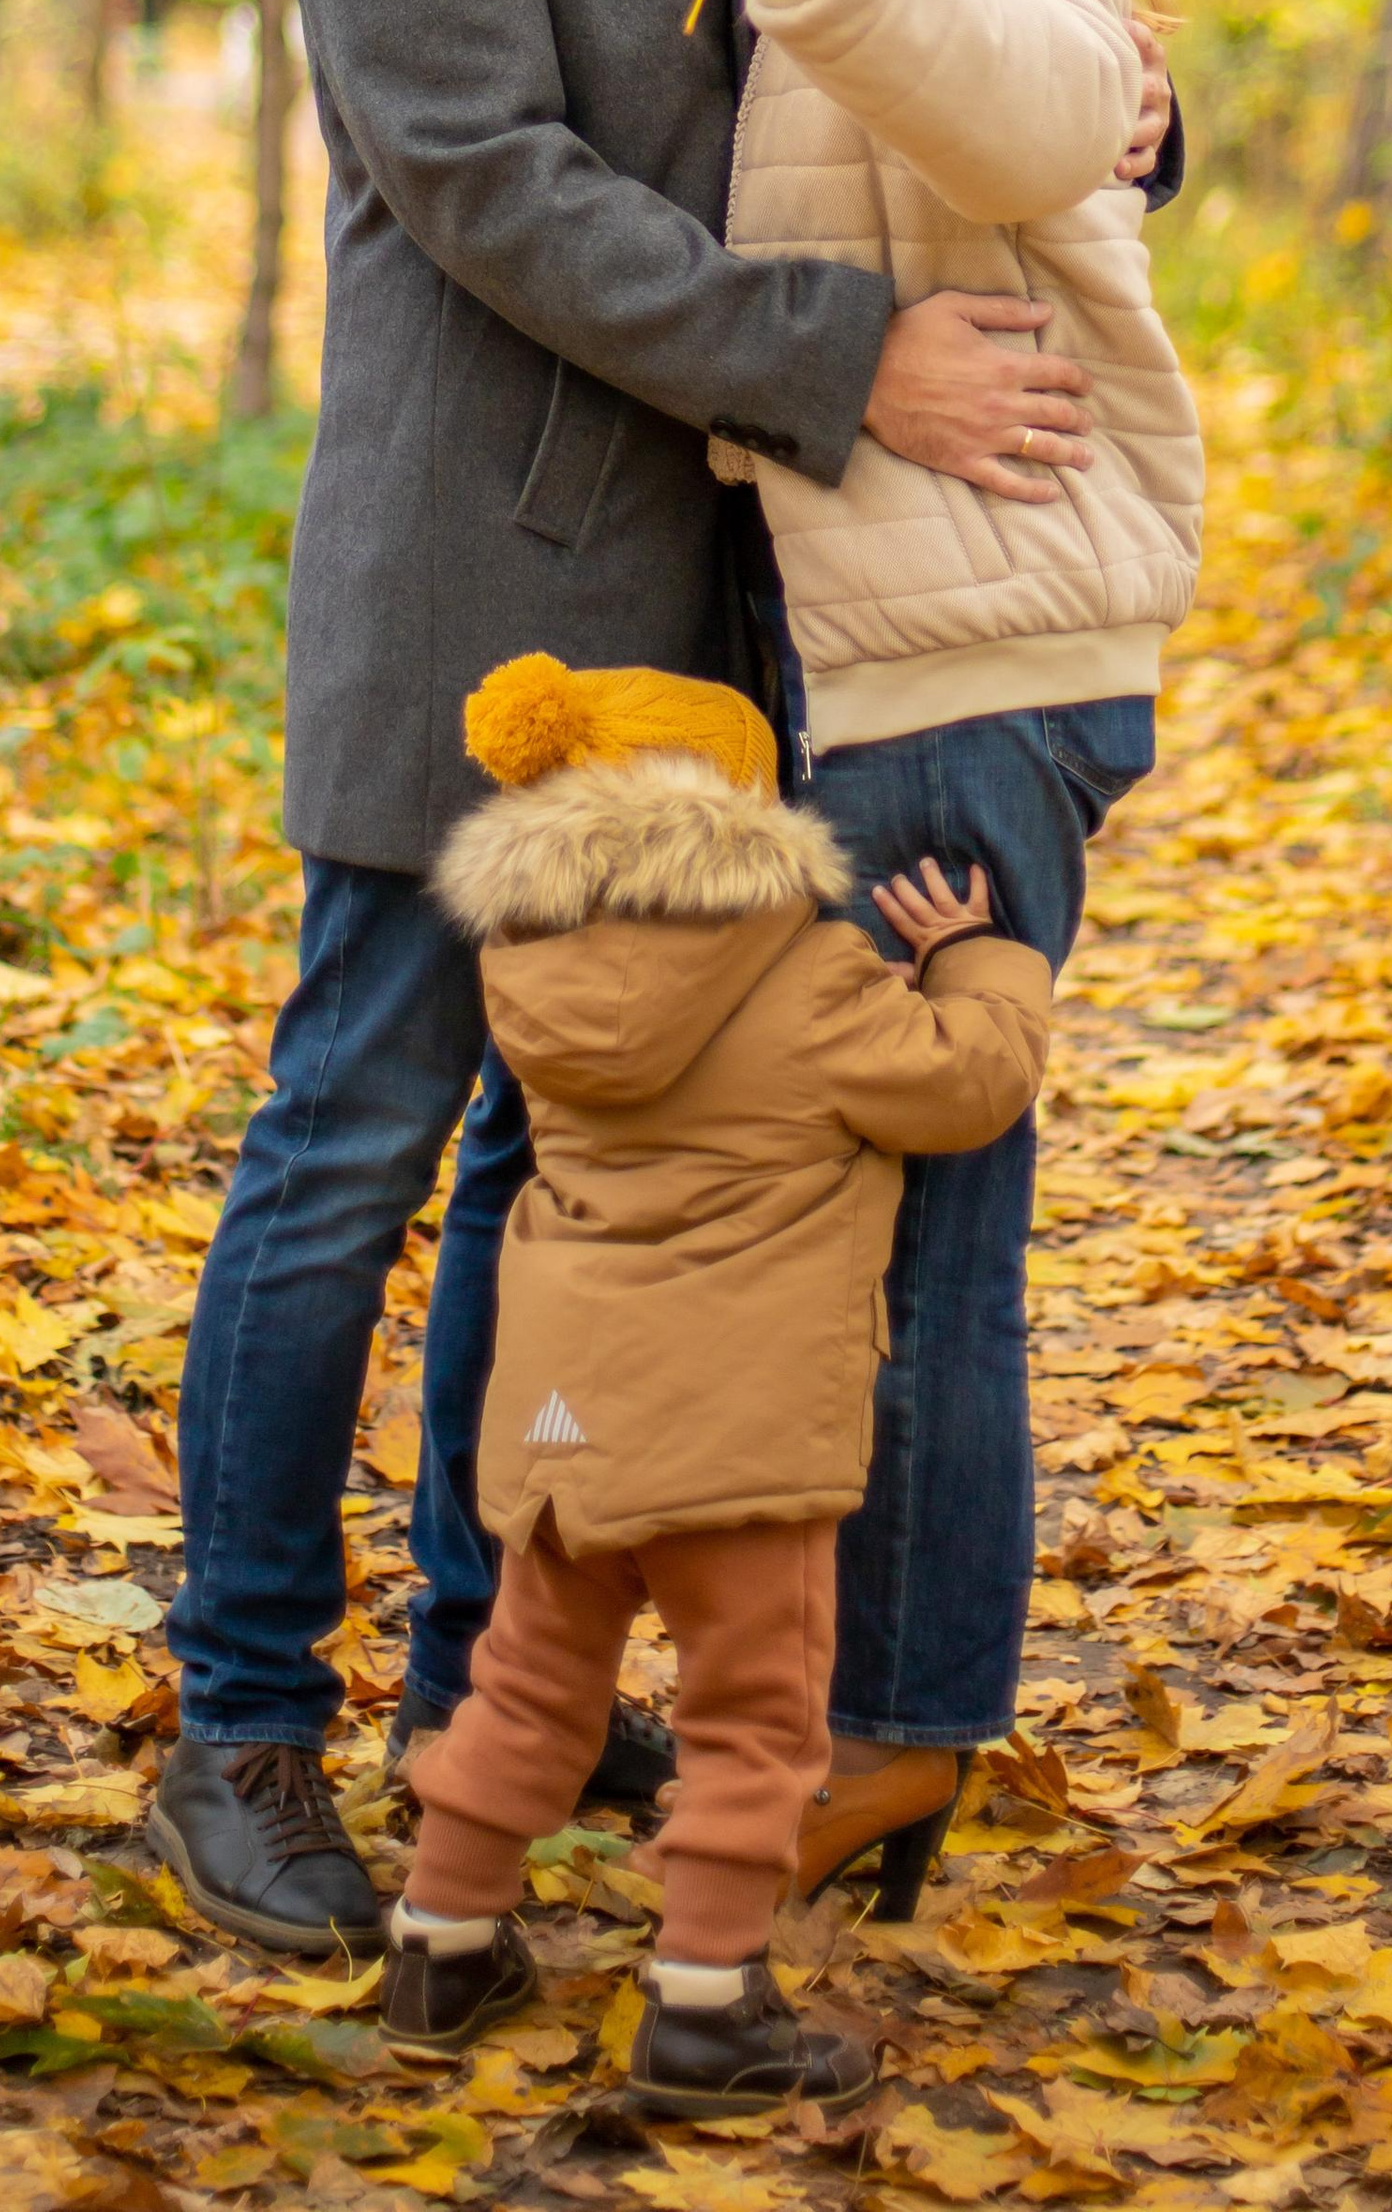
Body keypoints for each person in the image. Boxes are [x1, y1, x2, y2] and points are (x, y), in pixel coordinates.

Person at [154, 0, 1175, 1953]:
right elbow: (493, 184)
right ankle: (241, 1724)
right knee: (351, 1153)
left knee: (547, 1161)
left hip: (730, 616)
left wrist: (1143, 124)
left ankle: (478, 1682)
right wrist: (854, 356)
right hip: (484, 594)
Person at [682, 0, 1203, 1893]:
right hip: (897, 631)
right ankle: (860, 1710)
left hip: (976, 668)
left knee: (922, 1224)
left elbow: (1015, 104)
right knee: (865, 1205)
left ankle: (897, 1724)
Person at [379, 650, 1047, 2113]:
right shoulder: (809, 976)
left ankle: (439, 1943)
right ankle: (702, 2006)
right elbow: (968, 1085)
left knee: (528, 1683)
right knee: (753, 1719)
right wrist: (984, 962)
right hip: (737, 1430)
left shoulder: (529, 970)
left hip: (564, 1419)